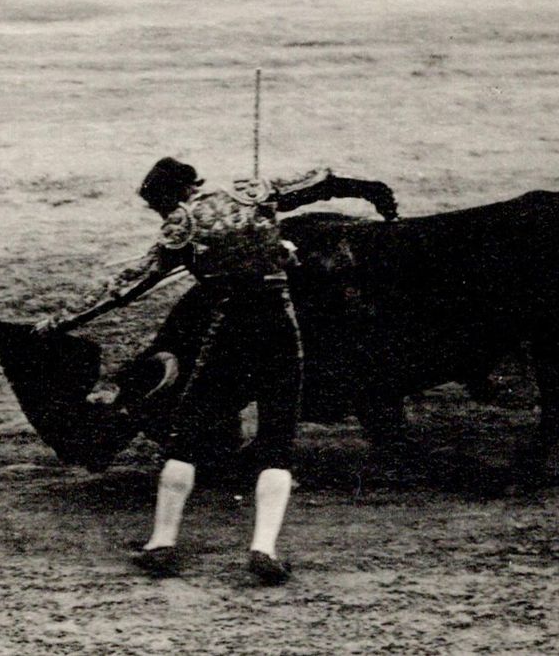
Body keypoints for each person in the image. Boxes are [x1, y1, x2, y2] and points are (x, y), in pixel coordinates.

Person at [34, 157, 396, 585]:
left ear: (169, 198)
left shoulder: (181, 226)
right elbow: (320, 181)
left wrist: (57, 323)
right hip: (281, 332)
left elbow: (125, 287)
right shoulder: (254, 193)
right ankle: (264, 548)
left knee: (185, 438)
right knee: (277, 440)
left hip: (231, 334)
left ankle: (161, 543)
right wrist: (370, 190)